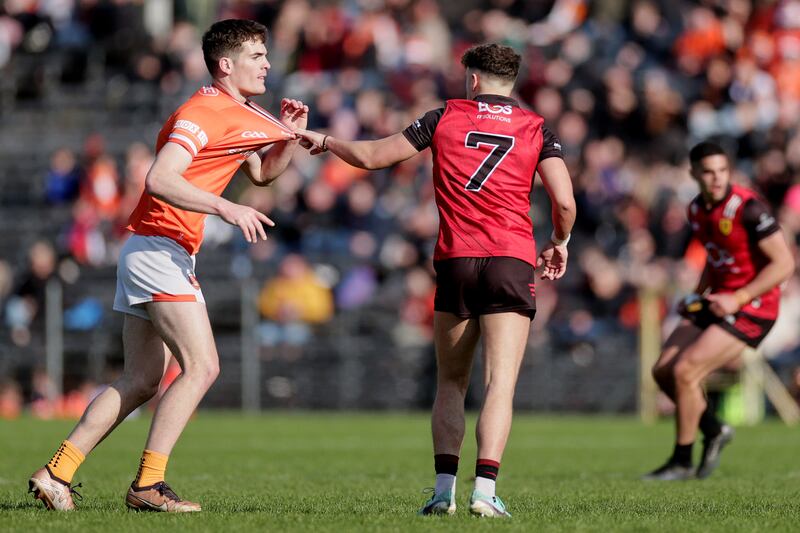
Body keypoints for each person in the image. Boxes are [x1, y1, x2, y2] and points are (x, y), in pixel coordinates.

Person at [28, 19, 308, 512]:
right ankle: (148, 486)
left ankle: (57, 473)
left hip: (155, 248)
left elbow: (262, 175)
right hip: (160, 247)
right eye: (257, 55)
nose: (268, 63)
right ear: (226, 65)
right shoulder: (203, 109)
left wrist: (289, 140)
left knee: (140, 381)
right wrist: (225, 207)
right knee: (203, 366)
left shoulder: (244, 111)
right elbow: (160, 177)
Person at [297, 43, 576, 517]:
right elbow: (565, 202)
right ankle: (484, 494)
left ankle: (443, 491)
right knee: (500, 384)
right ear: (512, 82)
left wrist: (324, 141)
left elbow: (373, 157)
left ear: (471, 79)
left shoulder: (444, 116)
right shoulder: (535, 128)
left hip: (456, 259)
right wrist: (559, 241)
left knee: (451, 381)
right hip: (510, 259)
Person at [644, 141, 795, 481]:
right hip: (719, 299)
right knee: (663, 371)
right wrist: (696, 296)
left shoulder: (749, 209)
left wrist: (739, 297)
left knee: (685, 371)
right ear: (694, 174)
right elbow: (715, 259)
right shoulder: (697, 209)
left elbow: (784, 263)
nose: (716, 179)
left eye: (722, 171)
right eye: (709, 172)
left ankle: (682, 461)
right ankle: (714, 429)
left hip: (753, 307)